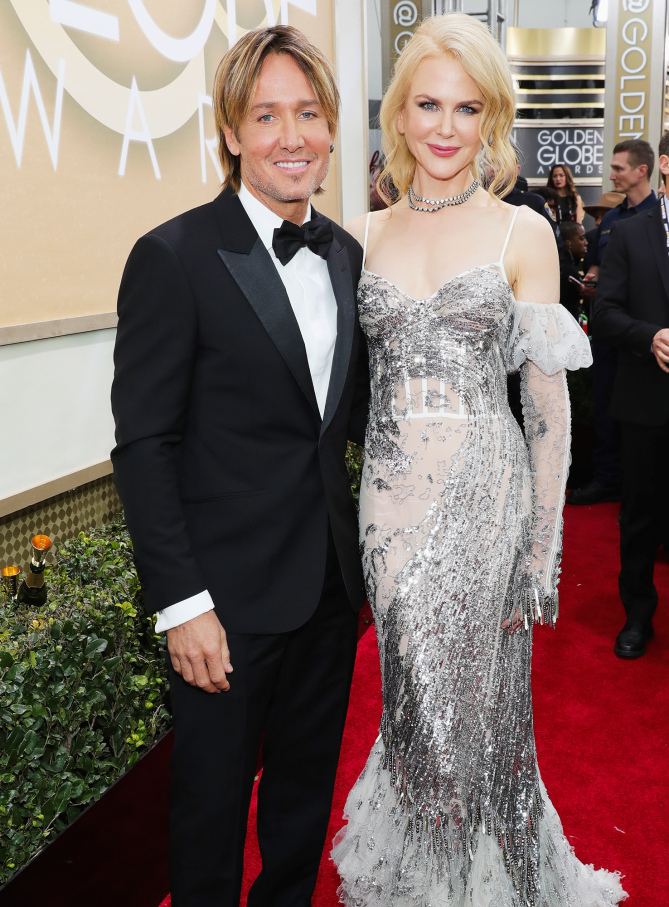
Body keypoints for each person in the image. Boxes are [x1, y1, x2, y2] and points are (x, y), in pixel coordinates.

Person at [332, 13, 624, 906]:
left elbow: (546, 413)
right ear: (400, 114)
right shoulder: (362, 234)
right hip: (386, 506)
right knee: (414, 698)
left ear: (490, 115)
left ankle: (481, 877)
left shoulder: (519, 234)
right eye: (427, 103)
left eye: (466, 107)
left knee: (479, 710)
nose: (445, 126)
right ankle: (426, 867)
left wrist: (540, 550)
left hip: (482, 499)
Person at [111, 25, 369, 907]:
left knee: (300, 811)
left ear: (332, 128)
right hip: (222, 608)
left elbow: (340, 421)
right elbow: (146, 445)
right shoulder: (172, 257)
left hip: (328, 592)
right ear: (229, 133)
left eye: (308, 113)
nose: (291, 136)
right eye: (266, 115)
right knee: (210, 814)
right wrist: (182, 605)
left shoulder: (344, 253)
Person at [591, 131, 669, 659]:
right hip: (649, 400)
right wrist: (651, 336)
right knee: (640, 514)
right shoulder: (630, 234)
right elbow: (604, 314)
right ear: (665, 164)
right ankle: (637, 616)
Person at [569, 139, 656, 506]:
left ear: (643, 170)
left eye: (619, 168)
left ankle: (644, 490)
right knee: (605, 404)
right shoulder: (611, 221)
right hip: (610, 330)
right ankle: (608, 478)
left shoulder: (660, 217)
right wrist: (592, 280)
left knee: (646, 416)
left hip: (649, 335)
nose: (612, 174)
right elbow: (600, 267)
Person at [559, 220, 592, 320]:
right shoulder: (568, 273)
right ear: (568, 243)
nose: (586, 243)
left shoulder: (563, 266)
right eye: (582, 238)